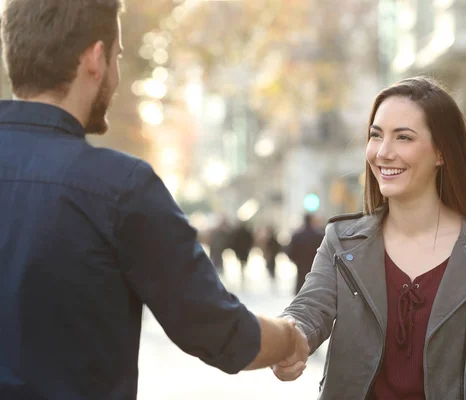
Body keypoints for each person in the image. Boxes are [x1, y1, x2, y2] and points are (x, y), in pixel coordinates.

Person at [0, 1, 308, 399]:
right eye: (117, 57)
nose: (115, 73)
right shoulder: (121, 187)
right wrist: (289, 337)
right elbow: (218, 331)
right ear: (95, 58)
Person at [272, 77, 466, 399]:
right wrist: (289, 337)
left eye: (404, 138)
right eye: (376, 135)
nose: (383, 153)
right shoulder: (342, 241)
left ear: (441, 152)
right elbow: (309, 309)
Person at [286, 213, 325, 295]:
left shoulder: (297, 235)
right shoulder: (318, 235)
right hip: (314, 264)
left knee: (301, 284)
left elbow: (290, 251)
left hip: (300, 264)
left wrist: (296, 260)